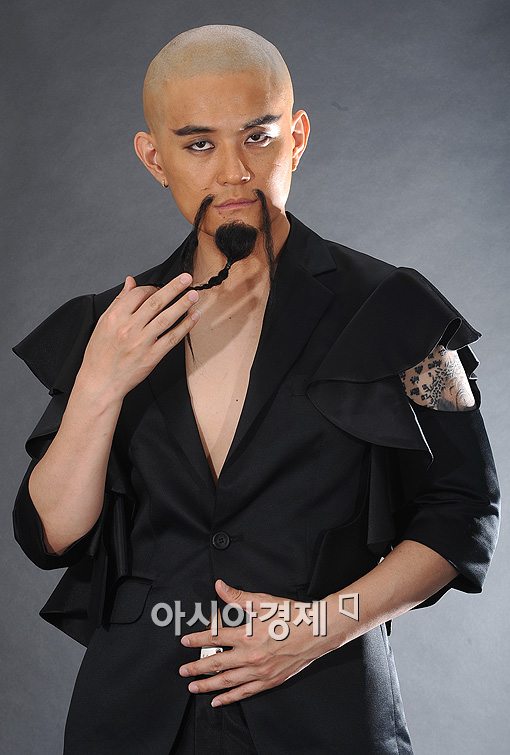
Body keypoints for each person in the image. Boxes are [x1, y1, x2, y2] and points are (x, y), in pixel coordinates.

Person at [12, 24, 501, 755]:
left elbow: (463, 510)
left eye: (258, 137)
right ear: (154, 157)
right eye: (199, 145)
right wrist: (98, 386)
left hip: (327, 709)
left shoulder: (396, 312)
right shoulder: (109, 327)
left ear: (296, 138)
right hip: (133, 714)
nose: (235, 172)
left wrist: (319, 627)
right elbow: (49, 535)